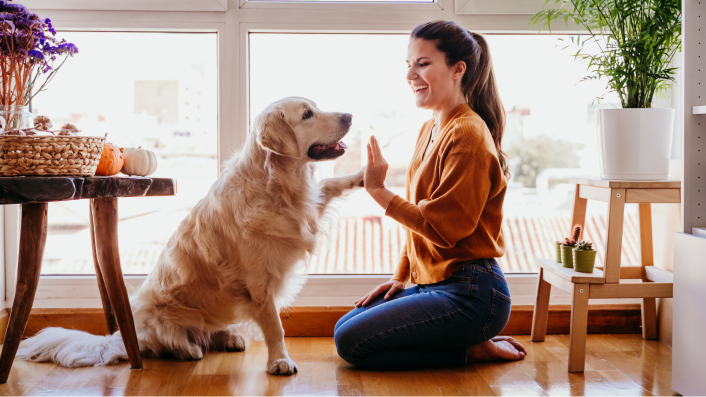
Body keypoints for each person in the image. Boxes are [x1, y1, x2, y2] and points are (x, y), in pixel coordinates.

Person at [333, 20, 527, 370]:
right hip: (434, 283)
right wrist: (401, 275)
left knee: (351, 343)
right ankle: (468, 344)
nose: (411, 74)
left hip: (473, 293)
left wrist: (377, 190)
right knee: (344, 327)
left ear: (457, 69)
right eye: (408, 64)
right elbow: (419, 221)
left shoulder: (468, 135)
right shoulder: (431, 127)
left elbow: (442, 229)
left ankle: (472, 349)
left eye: (422, 63)